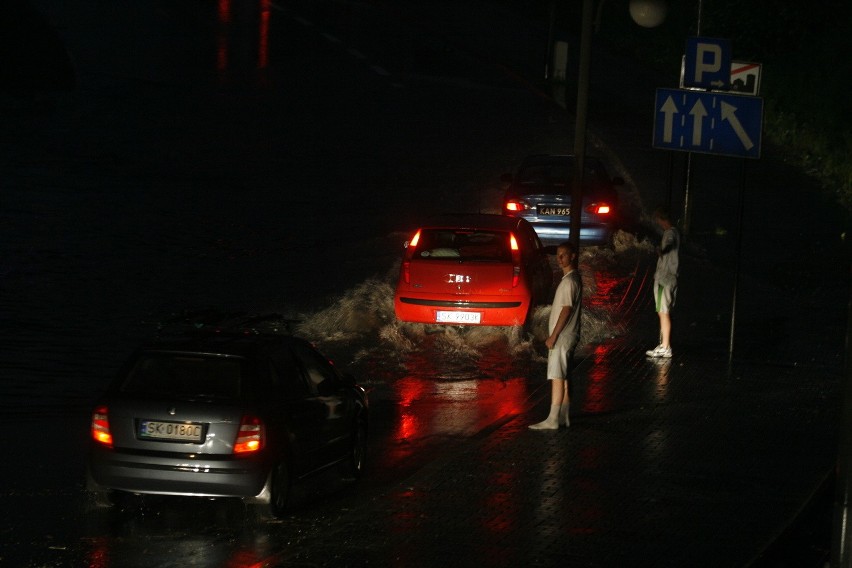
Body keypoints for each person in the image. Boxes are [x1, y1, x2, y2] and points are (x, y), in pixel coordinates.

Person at [529, 241, 582, 430]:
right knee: (565, 376)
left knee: (557, 376)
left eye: (563, 255)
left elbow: (566, 310)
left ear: (572, 256)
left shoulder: (569, 282)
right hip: (569, 335)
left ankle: (552, 418)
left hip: (562, 337)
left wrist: (554, 336)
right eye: (557, 255)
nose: (559, 259)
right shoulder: (573, 279)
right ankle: (564, 415)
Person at [646, 207, 680, 358]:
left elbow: (669, 245)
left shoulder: (669, 233)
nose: (657, 223)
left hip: (664, 279)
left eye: (657, 220)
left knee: (662, 312)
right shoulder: (676, 232)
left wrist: (662, 250)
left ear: (661, 219)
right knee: (665, 312)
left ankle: (665, 346)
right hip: (671, 277)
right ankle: (664, 344)